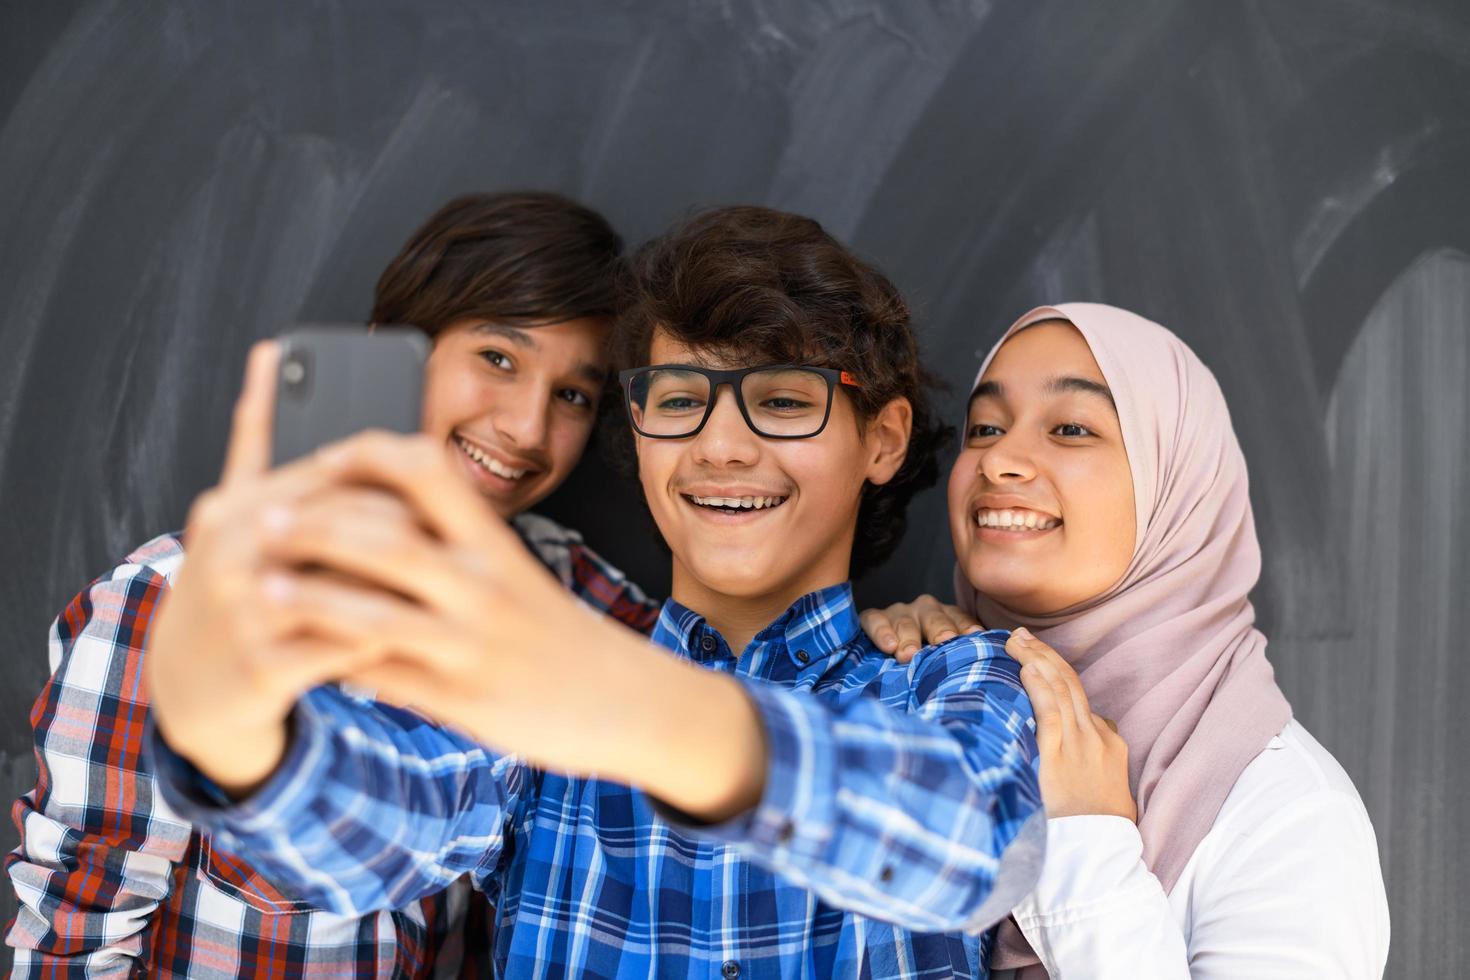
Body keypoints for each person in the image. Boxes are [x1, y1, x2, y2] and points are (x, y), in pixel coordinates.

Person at [142, 206, 1048, 978]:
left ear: (884, 440)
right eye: (680, 397)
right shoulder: (539, 700)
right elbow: (389, 816)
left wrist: (644, 715)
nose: (720, 447)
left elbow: (980, 848)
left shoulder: (951, 677)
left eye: (780, 401)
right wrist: (233, 736)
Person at [4, 191, 662, 977]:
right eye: (498, 358)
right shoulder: (175, 600)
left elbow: (720, 681)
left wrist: (851, 634)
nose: (525, 427)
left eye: (573, 396)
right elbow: (74, 940)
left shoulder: (568, 596)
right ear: (396, 347)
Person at [885, 303, 1391, 978]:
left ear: (1176, 484)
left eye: (1070, 428)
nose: (1000, 458)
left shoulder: (1290, 816)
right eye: (984, 427)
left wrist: (1085, 841)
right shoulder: (916, 698)